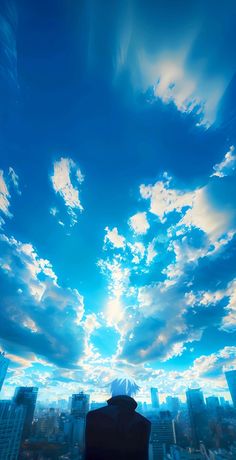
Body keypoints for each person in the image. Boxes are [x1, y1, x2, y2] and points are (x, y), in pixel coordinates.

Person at [85, 377, 151, 460]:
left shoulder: (94, 416)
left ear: (112, 391)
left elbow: (90, 453)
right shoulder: (144, 422)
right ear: (132, 392)